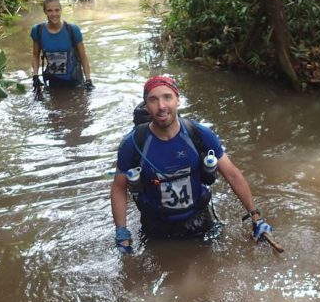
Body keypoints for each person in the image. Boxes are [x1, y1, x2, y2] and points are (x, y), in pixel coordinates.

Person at [110, 75, 272, 253]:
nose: (161, 106)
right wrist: (122, 234)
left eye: (167, 97)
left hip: (199, 220)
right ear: (146, 106)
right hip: (155, 226)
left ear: (178, 100)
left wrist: (256, 218)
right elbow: (119, 188)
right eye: (153, 100)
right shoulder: (133, 144)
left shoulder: (199, 134)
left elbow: (232, 174)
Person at [30, 0, 94, 91]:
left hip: (75, 80)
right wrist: (35, 76)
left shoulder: (72, 30)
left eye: (57, 10)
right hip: (53, 81)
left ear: (61, 10)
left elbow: (83, 56)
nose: (54, 14)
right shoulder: (38, 30)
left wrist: (88, 80)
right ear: (45, 12)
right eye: (50, 10)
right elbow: (35, 55)